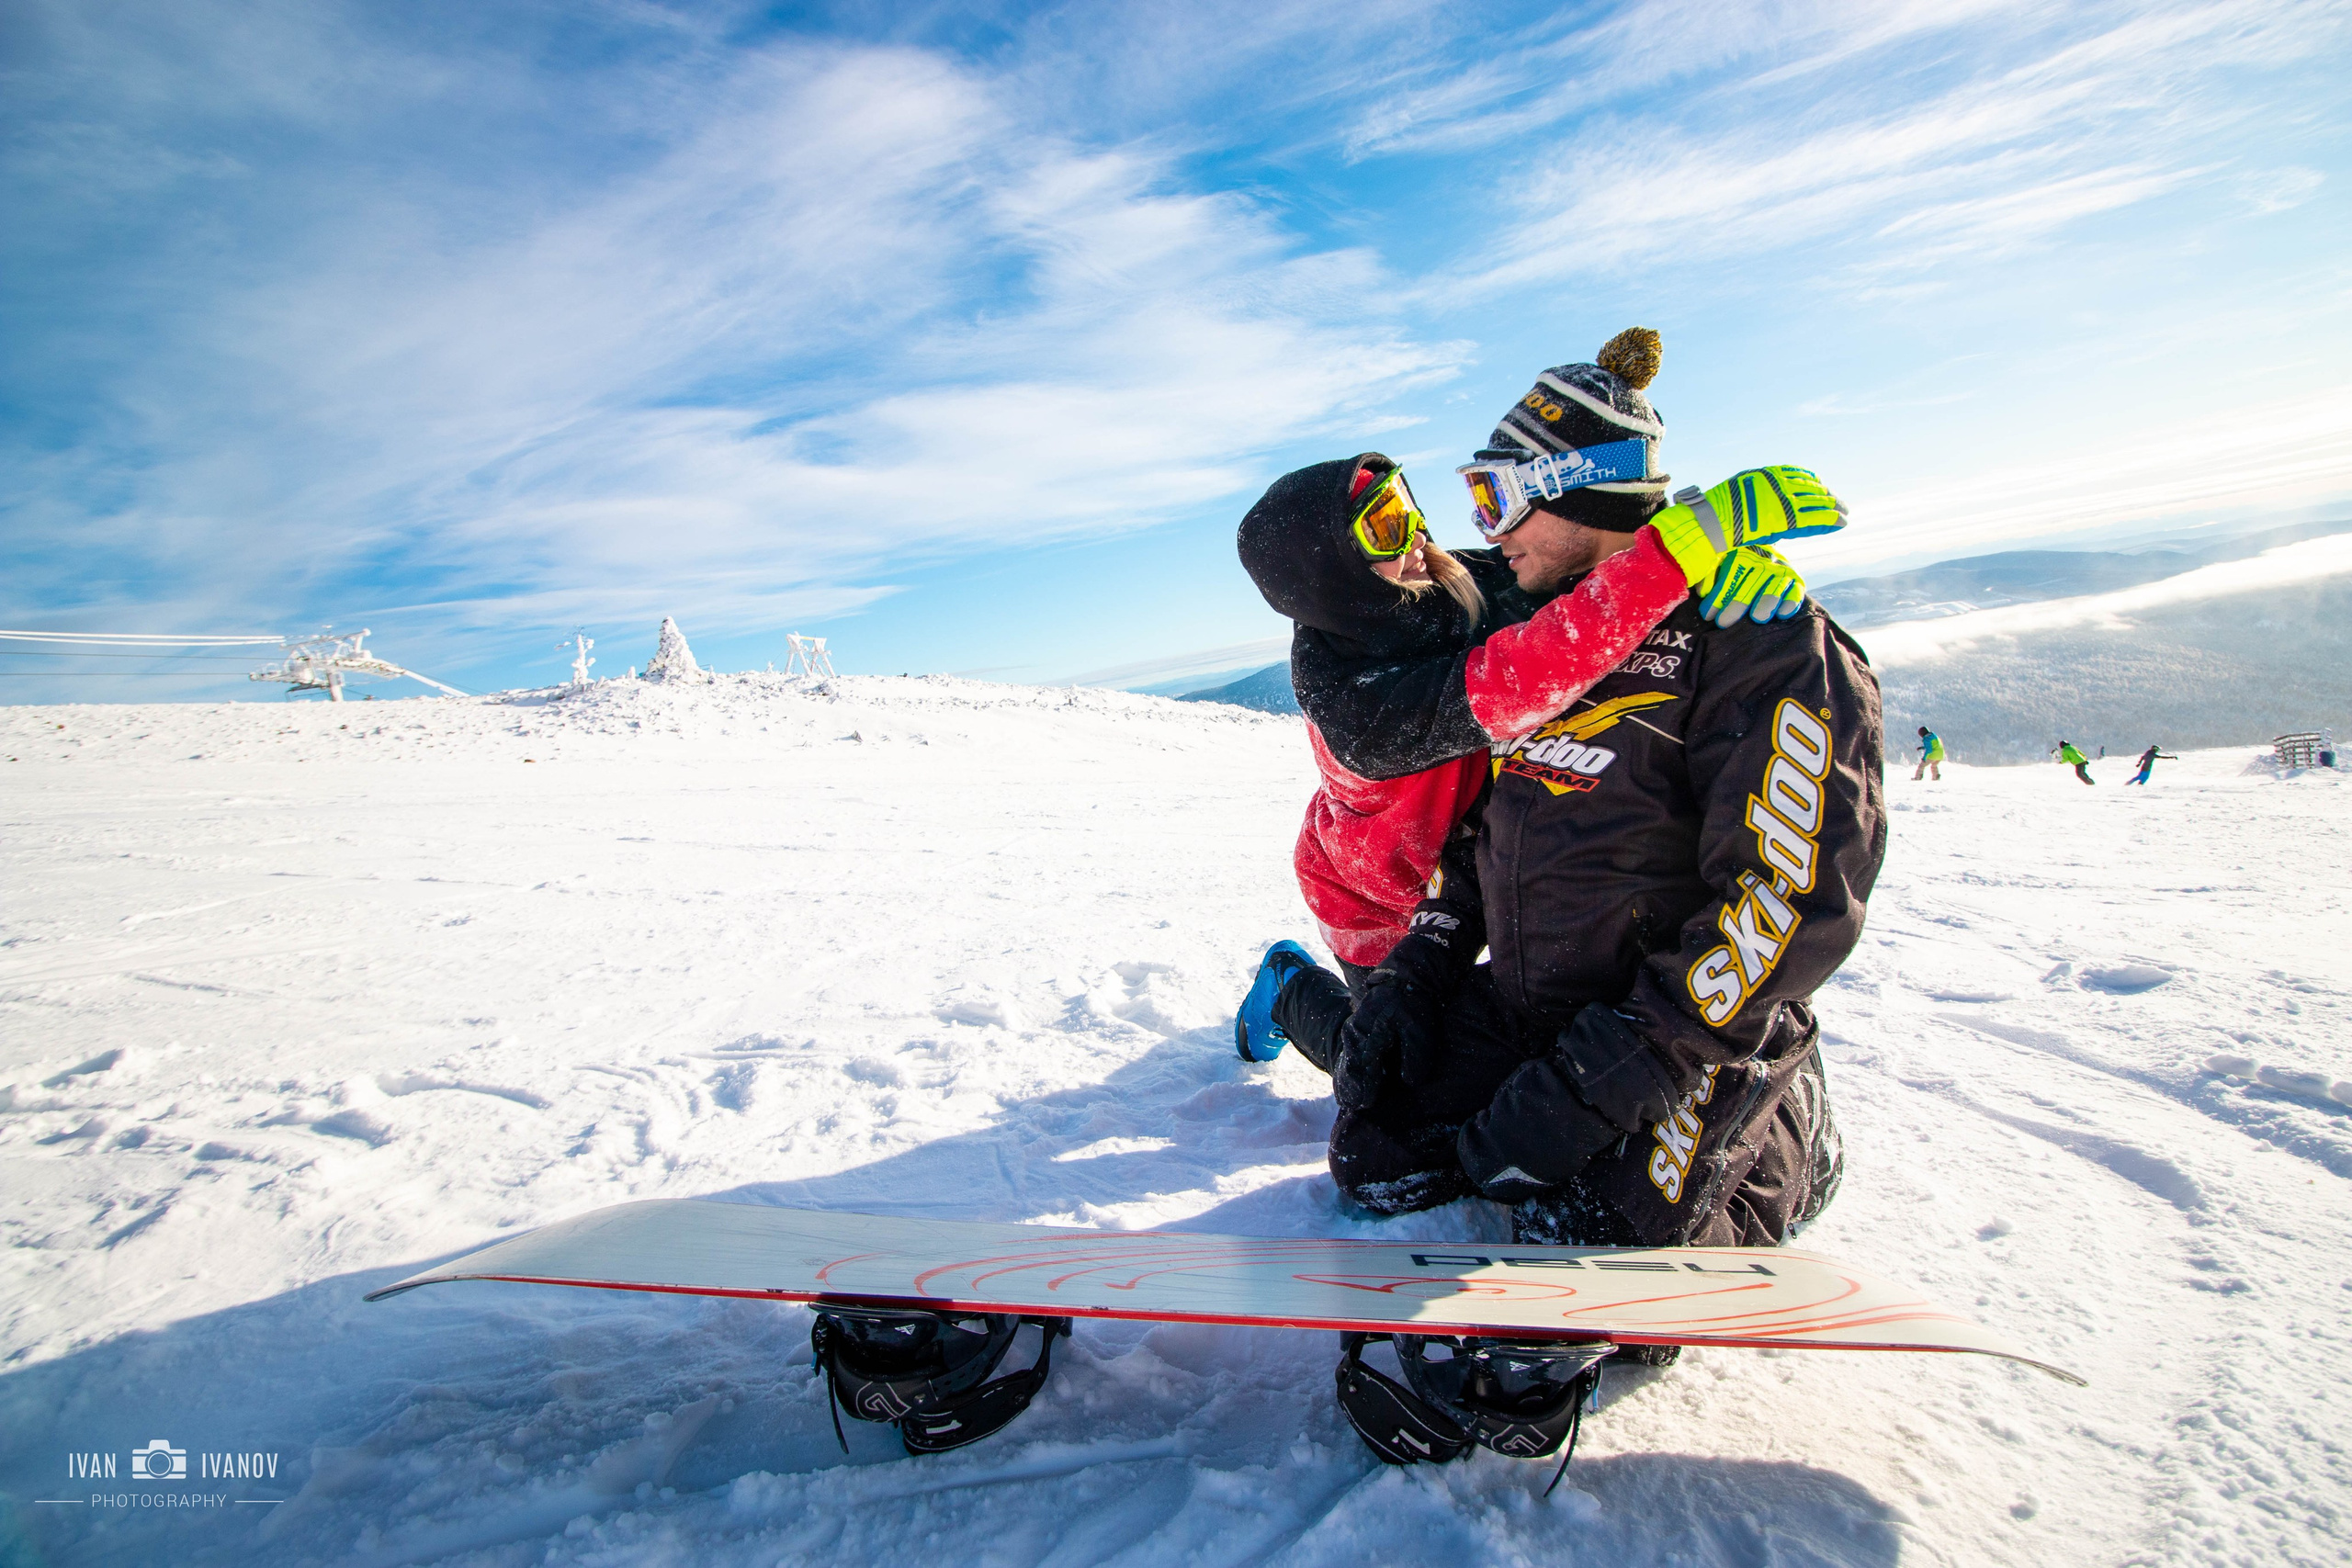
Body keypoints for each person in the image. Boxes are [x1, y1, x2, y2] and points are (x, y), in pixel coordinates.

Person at [1242, 331, 1880, 1259]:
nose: (1483, 533)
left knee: (1593, 1232)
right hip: (1523, 989)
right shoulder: (1541, 631)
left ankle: (1785, 1123)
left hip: (1673, 1024)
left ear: (1579, 487)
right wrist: (1420, 970)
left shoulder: (1755, 636)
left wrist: (1613, 1072)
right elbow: (1484, 834)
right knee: (1376, 1148)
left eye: (1498, 497)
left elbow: (1787, 891)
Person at [1231, 332, 1821, 1057]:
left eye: (1405, 505)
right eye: (1384, 526)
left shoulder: (1445, 584)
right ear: (1331, 571)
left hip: (1473, 876)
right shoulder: (1352, 699)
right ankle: (1290, 989)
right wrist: (1686, 544)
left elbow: (1578, 561)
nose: (1416, 533)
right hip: (1381, 899)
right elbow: (1524, 674)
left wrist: (1713, 568)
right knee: (1382, 1061)